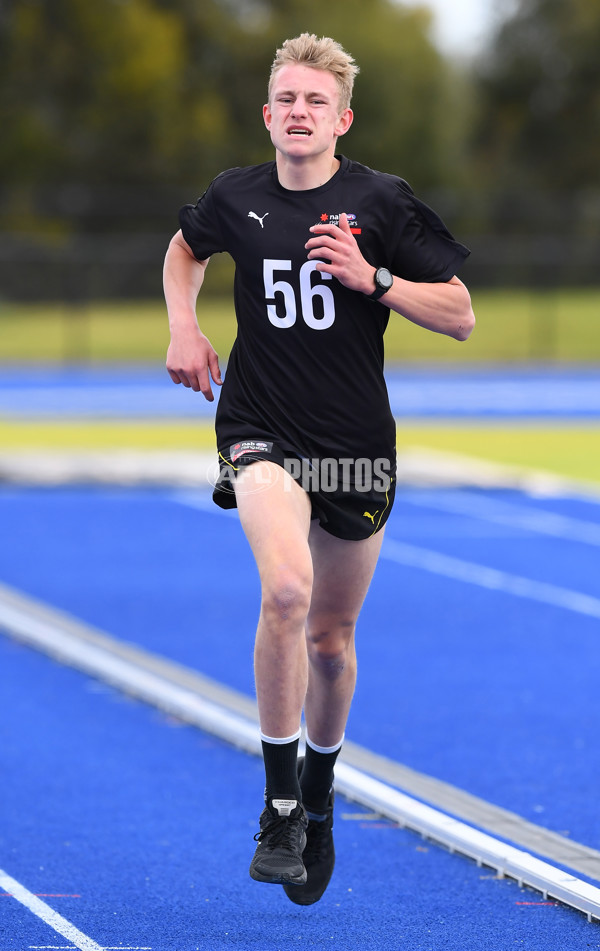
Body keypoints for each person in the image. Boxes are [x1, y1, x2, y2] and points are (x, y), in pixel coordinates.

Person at [163, 32, 475, 905]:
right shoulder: (235, 197)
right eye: (286, 100)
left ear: (342, 119)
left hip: (356, 449)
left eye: (316, 102)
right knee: (287, 594)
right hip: (261, 430)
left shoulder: (380, 200)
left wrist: (373, 278)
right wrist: (185, 327)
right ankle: (277, 806)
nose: (299, 114)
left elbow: (458, 314)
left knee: (332, 641)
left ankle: (321, 791)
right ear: (268, 115)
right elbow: (184, 248)